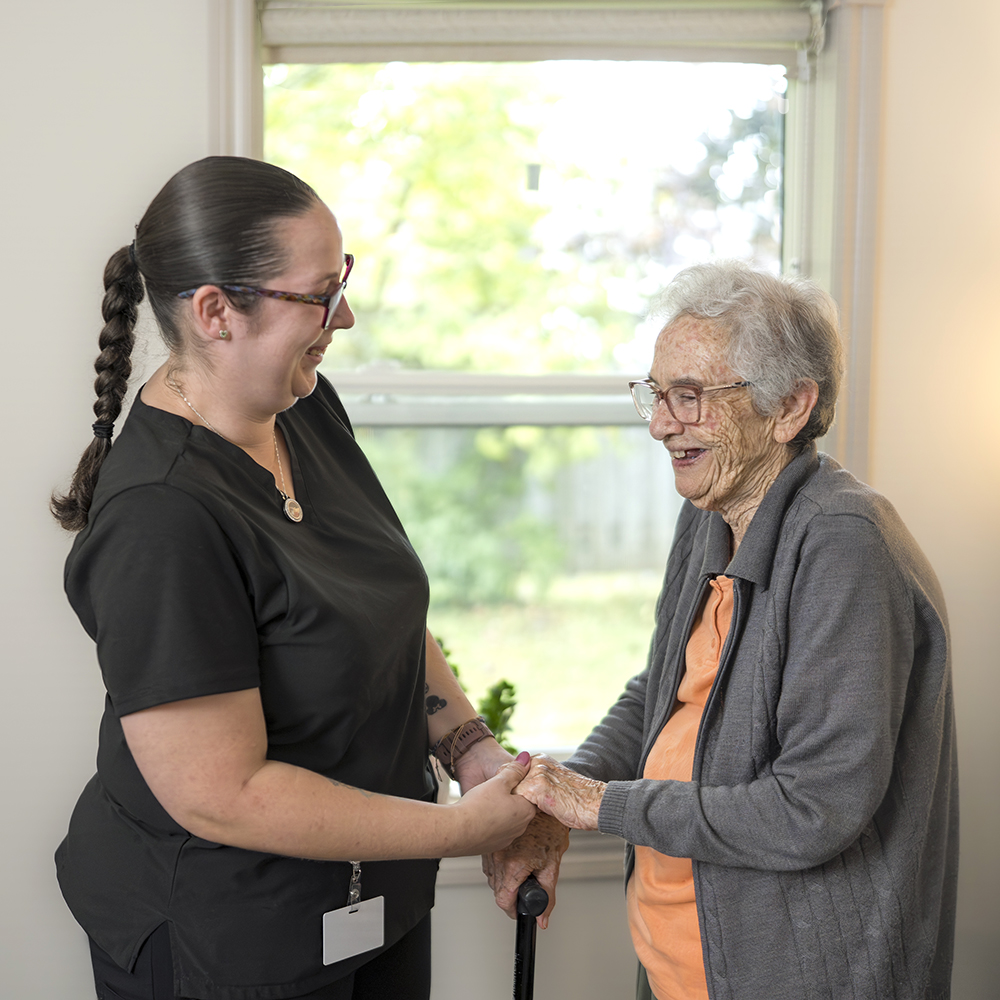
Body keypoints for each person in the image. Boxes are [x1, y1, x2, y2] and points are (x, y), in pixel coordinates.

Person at [51, 155, 538, 1000]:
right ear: (215, 312)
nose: (343, 315)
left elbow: (374, 612)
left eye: (340, 281)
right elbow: (223, 794)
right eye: (318, 294)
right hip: (228, 935)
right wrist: (458, 828)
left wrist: (470, 747)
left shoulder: (302, 406)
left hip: (375, 898)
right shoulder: (161, 519)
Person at [489, 261, 958, 1000]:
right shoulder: (708, 515)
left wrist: (600, 804)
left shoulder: (843, 542)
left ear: (789, 408)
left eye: (690, 397)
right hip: (687, 967)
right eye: (655, 393)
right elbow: (662, 692)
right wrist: (558, 806)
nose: (659, 423)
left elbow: (815, 807)